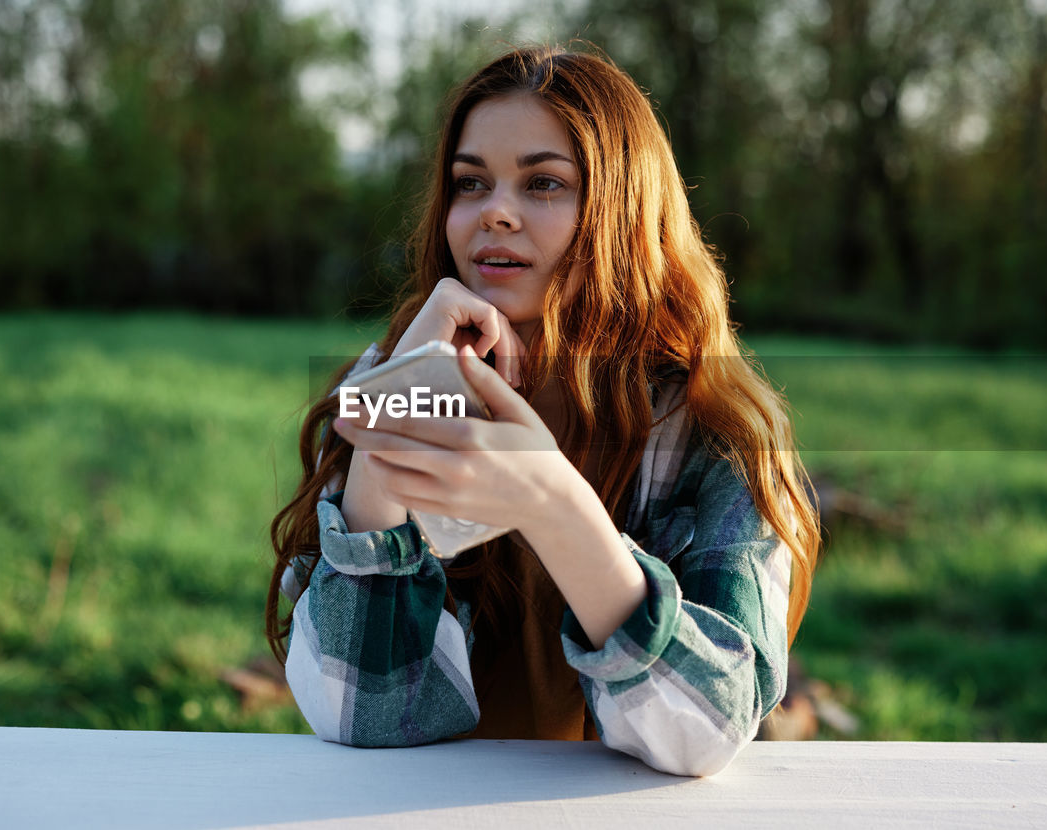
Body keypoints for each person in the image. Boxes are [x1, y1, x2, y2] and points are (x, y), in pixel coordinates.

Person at [265, 45, 821, 777]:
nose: (495, 211)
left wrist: (553, 503)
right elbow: (359, 717)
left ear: (622, 212)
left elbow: (707, 732)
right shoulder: (388, 386)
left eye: (544, 183)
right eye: (471, 183)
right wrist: (392, 434)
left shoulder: (718, 433)